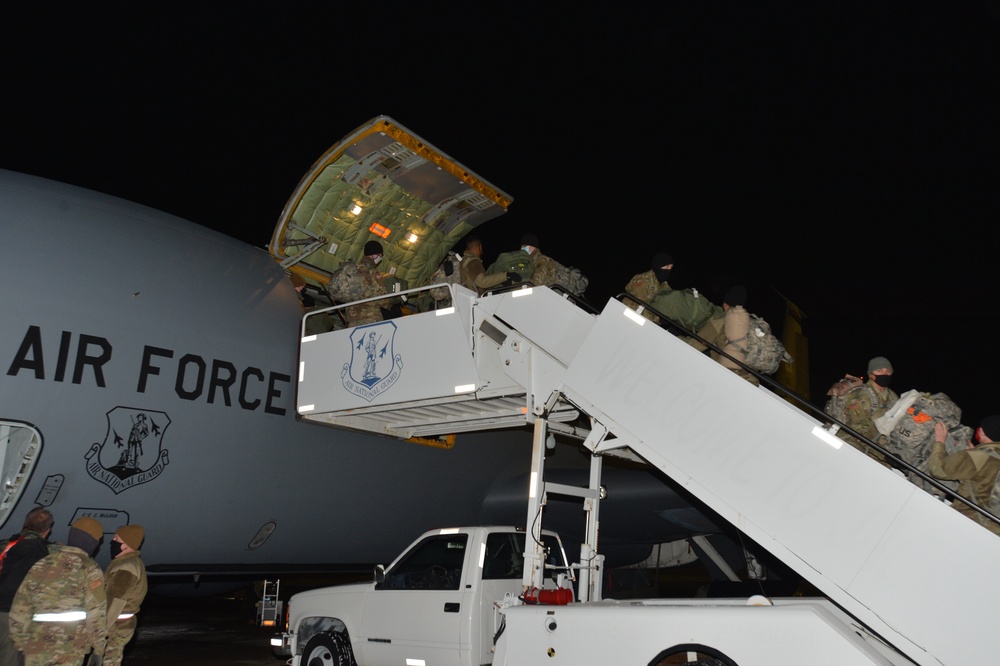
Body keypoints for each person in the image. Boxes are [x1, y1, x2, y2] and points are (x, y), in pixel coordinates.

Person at [9, 517, 106, 666]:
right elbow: (96, 613)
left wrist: (20, 642)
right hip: (70, 647)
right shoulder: (90, 569)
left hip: (36, 644)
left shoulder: (42, 563)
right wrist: (99, 648)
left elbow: (20, 605)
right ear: (91, 542)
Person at [927, 417, 1000, 536]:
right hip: (993, 533)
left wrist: (939, 441)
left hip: (965, 523)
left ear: (983, 431)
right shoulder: (991, 458)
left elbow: (937, 469)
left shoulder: (979, 456)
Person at [0, 507, 53, 666]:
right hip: (13, 613)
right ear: (47, 530)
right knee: (11, 658)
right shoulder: (40, 552)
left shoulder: (6, 544)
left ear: (25, 524)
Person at [838, 356, 899, 466]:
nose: (884, 374)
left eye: (888, 371)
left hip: (881, 447)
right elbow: (860, 429)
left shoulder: (893, 397)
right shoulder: (859, 395)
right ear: (871, 374)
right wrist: (884, 453)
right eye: (879, 371)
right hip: (856, 444)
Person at [694, 285, 759, 386]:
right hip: (748, 378)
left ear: (725, 305)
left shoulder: (720, 322)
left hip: (724, 375)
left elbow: (694, 345)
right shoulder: (747, 324)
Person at [102, 525, 147, 666]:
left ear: (128, 544)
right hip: (118, 625)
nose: (112, 541)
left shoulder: (126, 567)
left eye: (117, 539)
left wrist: (100, 630)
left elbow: (116, 601)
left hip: (115, 627)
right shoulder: (126, 563)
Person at [342, 240, 389, 327]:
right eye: (380, 255)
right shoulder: (371, 271)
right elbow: (381, 298)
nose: (380, 257)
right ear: (374, 255)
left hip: (352, 318)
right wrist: (390, 304)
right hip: (370, 318)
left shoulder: (353, 270)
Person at [625, 252, 674, 323]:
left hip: (645, 321)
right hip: (631, 316)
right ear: (658, 266)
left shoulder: (664, 285)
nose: (669, 270)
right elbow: (641, 306)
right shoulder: (643, 280)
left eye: (671, 267)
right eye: (667, 267)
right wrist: (658, 321)